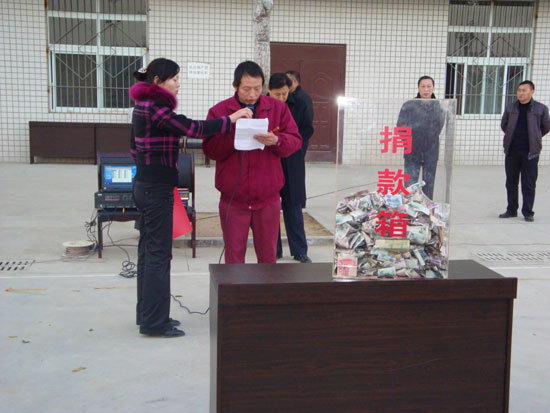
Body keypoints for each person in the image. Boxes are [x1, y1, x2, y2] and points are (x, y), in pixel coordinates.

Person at [129, 58, 252, 337]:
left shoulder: (142, 106)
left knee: (148, 252)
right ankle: (155, 323)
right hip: (156, 189)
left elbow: (134, 149)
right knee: (159, 255)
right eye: (174, 79)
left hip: (146, 185)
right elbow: (192, 128)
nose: (178, 84)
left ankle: (147, 315)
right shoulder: (156, 108)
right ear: (158, 81)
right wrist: (231, 119)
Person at [203, 61, 302, 264]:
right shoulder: (220, 111)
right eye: (246, 88)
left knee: (268, 256)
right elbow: (210, 150)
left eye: (257, 88)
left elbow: (295, 141)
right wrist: (233, 127)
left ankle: (266, 287)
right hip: (233, 199)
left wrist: (277, 140)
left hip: (268, 199)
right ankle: (234, 286)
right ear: (235, 86)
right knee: (234, 256)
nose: (252, 94)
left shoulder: (278, 109)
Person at [268, 73, 314, 263]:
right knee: (271, 206)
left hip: (292, 160)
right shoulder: (262, 107)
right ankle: (274, 249)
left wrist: (292, 144)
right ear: (269, 90)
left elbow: (307, 129)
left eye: (284, 94)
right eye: (277, 94)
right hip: (270, 160)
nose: (281, 98)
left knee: (293, 204)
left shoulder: (300, 103)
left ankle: (299, 250)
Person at [499, 80, 550, 222]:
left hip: (530, 152)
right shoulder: (511, 107)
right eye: (519, 90)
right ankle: (511, 210)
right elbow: (504, 125)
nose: (520, 93)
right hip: (512, 150)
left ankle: (528, 212)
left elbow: (546, 127)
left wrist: (535, 136)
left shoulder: (541, 109)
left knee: (528, 183)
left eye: (524, 90)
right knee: (511, 182)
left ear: (532, 92)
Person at [396, 76, 446, 200]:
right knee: (410, 185)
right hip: (412, 151)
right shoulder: (409, 105)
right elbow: (400, 126)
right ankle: (409, 208)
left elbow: (439, 127)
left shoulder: (439, 107)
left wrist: (428, 140)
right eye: (423, 86)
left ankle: (426, 209)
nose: (426, 89)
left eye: (429, 86)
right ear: (418, 88)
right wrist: (409, 143)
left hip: (431, 151)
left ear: (433, 88)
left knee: (428, 185)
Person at [286, 70, 314, 140]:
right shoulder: (289, 95)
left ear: (294, 81)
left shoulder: (302, 97)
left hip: (298, 138)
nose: (285, 83)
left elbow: (307, 122)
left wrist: (296, 138)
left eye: (287, 81)